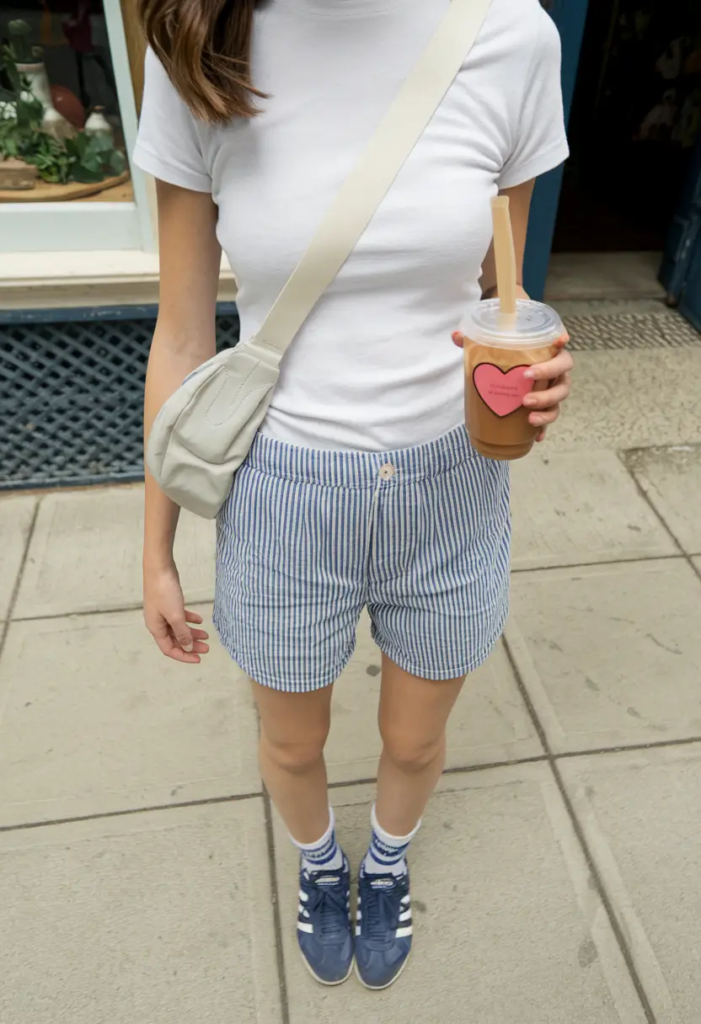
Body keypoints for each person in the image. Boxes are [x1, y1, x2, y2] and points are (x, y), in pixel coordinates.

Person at [134, 0, 573, 991]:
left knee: (414, 740)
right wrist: (156, 549)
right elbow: (183, 336)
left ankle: (384, 860)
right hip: (281, 491)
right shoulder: (198, 42)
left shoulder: (509, 35)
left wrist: (538, 369)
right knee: (292, 745)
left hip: (450, 484)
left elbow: (501, 297)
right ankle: (320, 865)